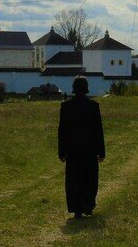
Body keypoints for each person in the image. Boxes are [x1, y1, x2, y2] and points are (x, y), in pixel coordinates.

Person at [58, 76, 105, 219]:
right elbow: (98, 130)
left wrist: (61, 152)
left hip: (72, 151)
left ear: (73, 88)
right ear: (86, 88)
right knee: (89, 179)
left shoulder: (66, 106)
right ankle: (88, 205)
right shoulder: (93, 106)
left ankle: (77, 208)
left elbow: (62, 131)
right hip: (89, 151)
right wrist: (101, 151)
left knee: (74, 180)